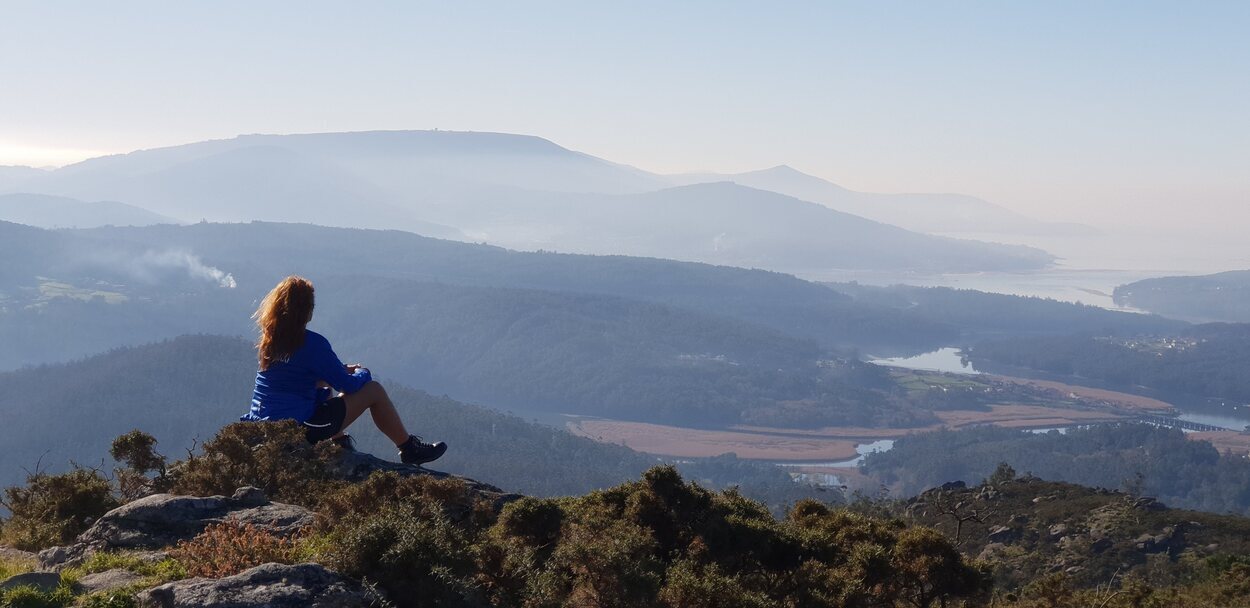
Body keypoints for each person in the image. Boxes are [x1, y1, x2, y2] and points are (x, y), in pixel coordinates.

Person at [241, 275, 447, 465]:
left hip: (262, 428)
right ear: (307, 310)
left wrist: (337, 371)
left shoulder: (271, 340)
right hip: (300, 429)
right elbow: (347, 385)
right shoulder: (312, 343)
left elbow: (294, 379)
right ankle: (408, 448)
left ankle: (340, 443)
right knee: (374, 390)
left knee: (323, 383)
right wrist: (362, 372)